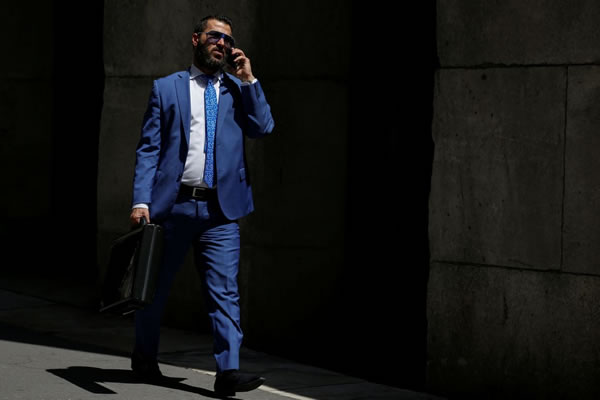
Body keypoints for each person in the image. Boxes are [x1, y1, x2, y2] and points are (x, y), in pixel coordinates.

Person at [128, 14, 274, 396]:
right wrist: (141, 200)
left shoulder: (237, 90)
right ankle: (144, 359)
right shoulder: (166, 88)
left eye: (228, 40)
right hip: (172, 208)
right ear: (196, 39)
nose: (222, 44)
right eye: (214, 37)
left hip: (220, 213)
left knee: (224, 293)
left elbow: (263, 127)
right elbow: (149, 149)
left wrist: (249, 80)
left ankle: (228, 372)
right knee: (153, 289)